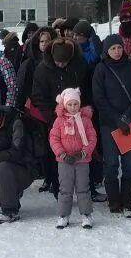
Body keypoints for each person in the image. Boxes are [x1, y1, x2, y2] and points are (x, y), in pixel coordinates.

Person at [92, 34, 131, 217]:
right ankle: (114, 202)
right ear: (107, 50)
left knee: (130, 165)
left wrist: (128, 116)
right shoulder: (101, 69)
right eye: (113, 48)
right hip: (109, 123)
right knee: (112, 163)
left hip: (130, 122)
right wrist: (117, 119)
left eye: (119, 48)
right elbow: (99, 98)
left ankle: (127, 202)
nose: (117, 51)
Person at [31, 38, 90, 198]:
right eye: (58, 62)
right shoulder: (42, 69)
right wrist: (52, 116)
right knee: (57, 154)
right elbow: (38, 96)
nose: (61, 65)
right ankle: (59, 190)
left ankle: (85, 189)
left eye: (65, 62)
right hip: (54, 117)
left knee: (83, 151)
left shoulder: (80, 65)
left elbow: (87, 88)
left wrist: (85, 109)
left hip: (79, 115)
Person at [50, 88, 98, 229]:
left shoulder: (85, 120)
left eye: (75, 104)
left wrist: (84, 152)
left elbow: (92, 138)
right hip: (65, 161)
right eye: (70, 104)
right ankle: (63, 215)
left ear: (80, 104)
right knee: (65, 189)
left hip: (82, 160)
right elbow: (54, 139)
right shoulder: (59, 121)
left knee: (83, 188)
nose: (72, 107)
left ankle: (86, 214)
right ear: (65, 105)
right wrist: (62, 154)